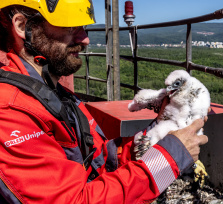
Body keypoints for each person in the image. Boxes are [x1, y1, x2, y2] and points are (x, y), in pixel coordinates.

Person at [0, 0, 208, 203]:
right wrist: (170, 157)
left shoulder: (55, 95)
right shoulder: (9, 112)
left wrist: (155, 134)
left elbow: (100, 160)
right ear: (22, 26)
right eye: (71, 27)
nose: (85, 39)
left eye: (83, 28)